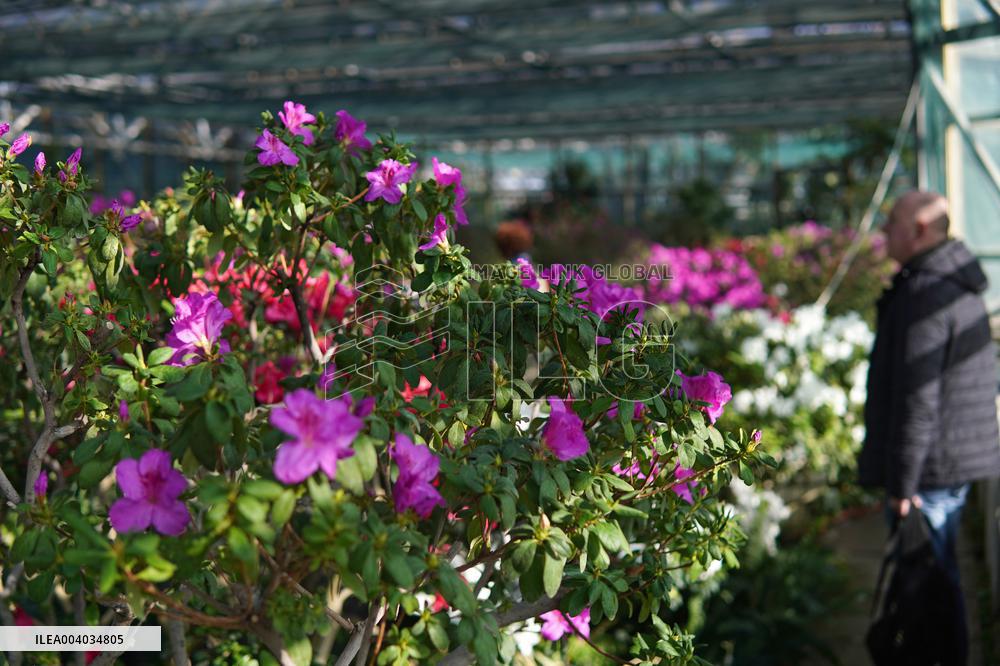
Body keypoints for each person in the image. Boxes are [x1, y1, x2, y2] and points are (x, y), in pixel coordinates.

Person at [859, 190, 1000, 661]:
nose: (883, 232)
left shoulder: (926, 293)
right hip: (949, 460)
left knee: (931, 590)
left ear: (919, 229)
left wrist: (903, 485)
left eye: (891, 222)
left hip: (930, 469)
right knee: (936, 584)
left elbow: (918, 399)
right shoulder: (945, 281)